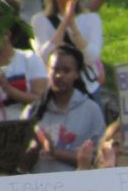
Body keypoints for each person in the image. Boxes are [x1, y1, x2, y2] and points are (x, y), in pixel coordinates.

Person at [22, 45, 105, 173]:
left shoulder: (91, 110)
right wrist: (36, 147)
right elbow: (21, 165)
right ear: (47, 71)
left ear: (77, 74)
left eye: (66, 71)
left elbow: (100, 159)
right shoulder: (32, 111)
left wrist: (55, 153)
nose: (60, 76)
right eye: (55, 70)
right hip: (40, 188)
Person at [31, 0, 105, 102]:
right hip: (56, 89)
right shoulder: (39, 20)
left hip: (87, 88)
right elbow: (44, 57)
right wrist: (64, 22)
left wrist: (73, 26)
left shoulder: (92, 19)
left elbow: (91, 57)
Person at [0, 0, 47, 121]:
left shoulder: (29, 59)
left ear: (7, 34)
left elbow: (40, 99)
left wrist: (9, 90)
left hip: (24, 125)